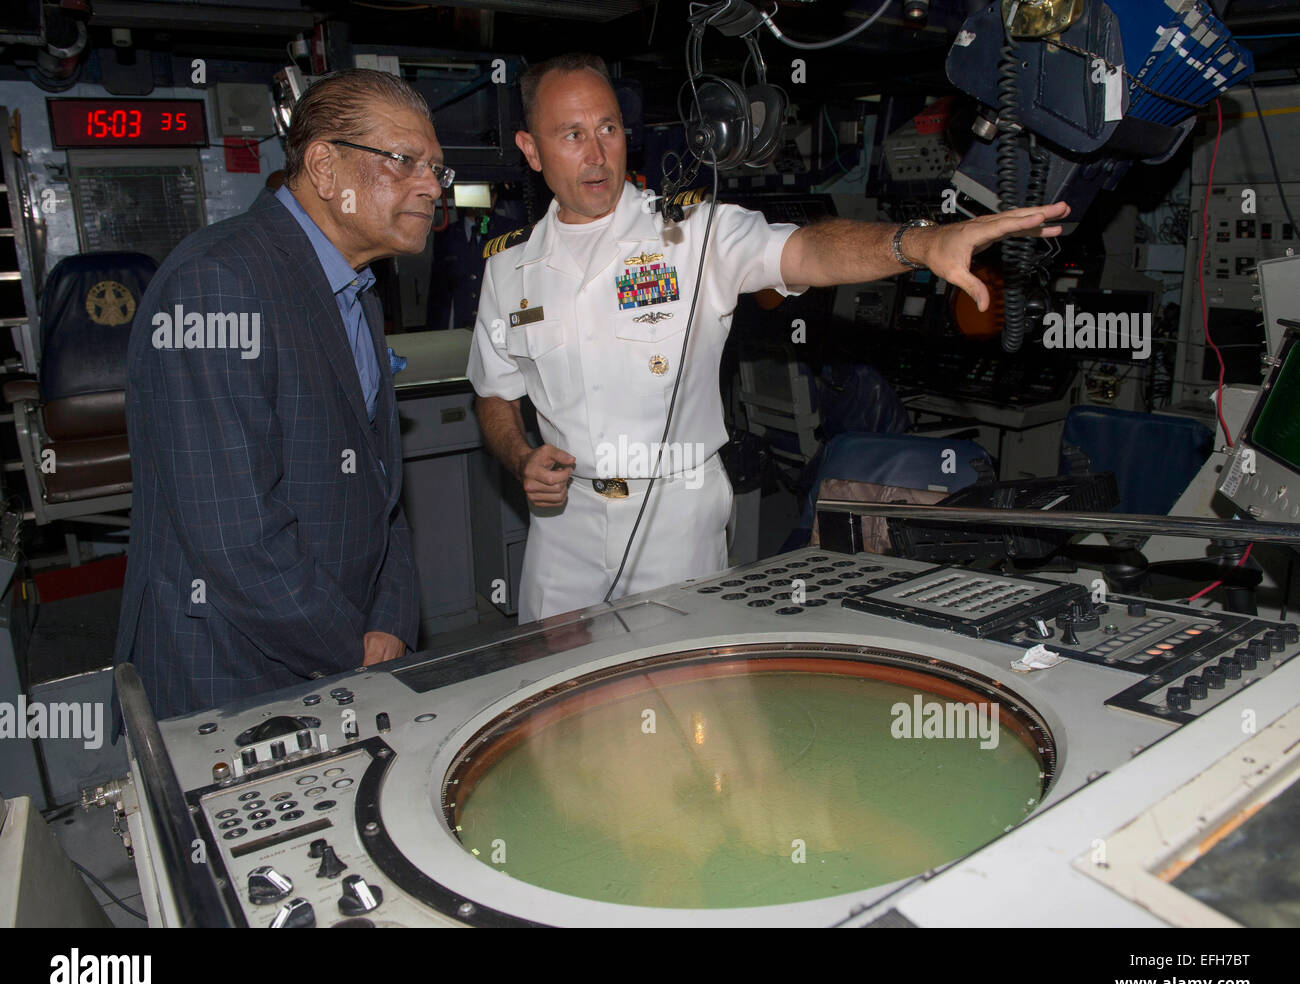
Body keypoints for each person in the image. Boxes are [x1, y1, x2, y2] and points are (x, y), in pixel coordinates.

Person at [468, 53, 1068, 624]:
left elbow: (804, 249)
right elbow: (495, 393)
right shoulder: (507, 270)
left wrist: (918, 243)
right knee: (552, 698)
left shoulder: (690, 234)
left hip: (675, 519)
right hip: (562, 520)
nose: (597, 154)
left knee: (682, 697)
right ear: (531, 150)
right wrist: (521, 456)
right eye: (572, 135)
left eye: (609, 129)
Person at [117, 68, 448, 718]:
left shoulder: (358, 290)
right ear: (324, 167)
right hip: (233, 667)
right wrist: (352, 647)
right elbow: (234, 535)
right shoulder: (217, 285)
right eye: (406, 162)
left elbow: (382, 491)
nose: (432, 187)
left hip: (346, 649)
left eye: (437, 169)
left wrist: (391, 620)